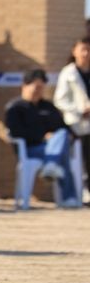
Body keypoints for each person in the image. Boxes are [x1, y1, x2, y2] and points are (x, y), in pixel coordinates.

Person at [6, 69, 80, 208]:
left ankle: (51, 165)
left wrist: (69, 136)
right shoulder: (15, 108)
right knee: (61, 154)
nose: (38, 90)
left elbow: (63, 127)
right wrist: (42, 137)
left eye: (41, 87)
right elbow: (16, 133)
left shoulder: (48, 107)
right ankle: (68, 197)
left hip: (52, 148)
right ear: (25, 86)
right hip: (30, 149)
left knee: (62, 135)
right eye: (36, 86)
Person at [53, 37, 90, 202]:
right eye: (83, 49)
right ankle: (83, 191)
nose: (86, 53)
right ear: (74, 51)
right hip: (75, 123)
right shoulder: (69, 73)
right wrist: (81, 110)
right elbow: (60, 100)